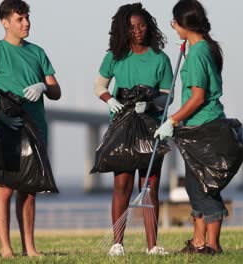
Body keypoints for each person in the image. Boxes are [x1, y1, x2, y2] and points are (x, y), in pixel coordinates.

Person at [0, 0, 61, 258]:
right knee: (4, 188)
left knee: (30, 190)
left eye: (27, 18)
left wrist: (43, 87)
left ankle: (30, 248)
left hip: (36, 129)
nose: (26, 23)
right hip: (6, 129)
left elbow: (56, 91)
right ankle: (5, 249)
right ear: (5, 22)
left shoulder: (38, 52)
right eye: (20, 19)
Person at [94, 3, 173, 256]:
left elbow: (168, 97)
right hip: (122, 127)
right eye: (131, 27)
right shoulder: (115, 57)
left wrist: (150, 104)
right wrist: (110, 99)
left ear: (148, 26)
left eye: (141, 25)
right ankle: (117, 244)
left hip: (152, 127)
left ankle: (153, 245)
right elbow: (99, 85)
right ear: (123, 30)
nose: (137, 31)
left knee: (149, 186)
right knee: (122, 186)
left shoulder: (160, 58)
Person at [154, 0, 228, 255]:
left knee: (205, 187)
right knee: (194, 186)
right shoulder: (202, 48)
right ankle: (198, 243)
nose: (173, 26)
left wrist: (171, 121)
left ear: (184, 23)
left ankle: (213, 245)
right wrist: (187, 52)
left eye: (174, 22)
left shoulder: (198, 53)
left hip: (203, 128)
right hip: (203, 128)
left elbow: (197, 97)